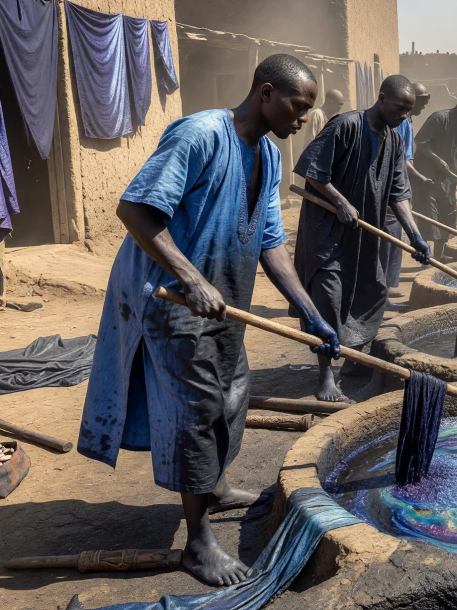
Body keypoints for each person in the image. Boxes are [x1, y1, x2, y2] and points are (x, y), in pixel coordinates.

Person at [78, 54, 340, 587]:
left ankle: (212, 487)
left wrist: (311, 313)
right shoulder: (199, 135)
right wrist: (191, 278)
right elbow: (136, 210)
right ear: (265, 92)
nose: (303, 119)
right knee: (197, 409)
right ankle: (197, 542)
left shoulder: (267, 154)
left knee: (233, 394)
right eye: (299, 106)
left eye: (309, 110)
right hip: (170, 298)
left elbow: (270, 242)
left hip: (223, 301)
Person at [293, 74, 430, 401]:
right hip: (328, 234)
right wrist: (340, 202)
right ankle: (326, 376)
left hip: (364, 238)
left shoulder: (395, 139)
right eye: (400, 108)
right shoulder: (345, 126)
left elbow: (399, 193)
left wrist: (415, 236)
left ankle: (352, 360)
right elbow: (312, 171)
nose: (404, 117)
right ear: (382, 98)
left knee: (372, 291)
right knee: (329, 298)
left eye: (408, 112)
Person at [413, 91, 457, 260]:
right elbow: (421, 142)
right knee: (429, 218)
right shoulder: (439, 118)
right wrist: (437, 160)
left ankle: (439, 256)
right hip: (428, 179)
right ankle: (423, 256)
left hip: (449, 180)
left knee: (448, 215)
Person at [381, 82, 433, 293]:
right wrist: (420, 178)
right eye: (422, 103)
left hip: (400, 184)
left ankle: (388, 288)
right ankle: (383, 292)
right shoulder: (399, 123)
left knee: (396, 239)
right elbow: (401, 161)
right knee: (389, 240)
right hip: (392, 188)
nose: (422, 108)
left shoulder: (407, 122)